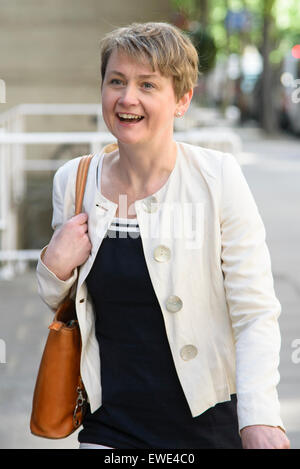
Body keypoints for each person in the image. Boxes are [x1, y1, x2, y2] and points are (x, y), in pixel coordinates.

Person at [36, 22, 290, 449]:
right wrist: (53, 266)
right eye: (116, 81)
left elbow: (255, 312)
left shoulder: (218, 179)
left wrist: (259, 416)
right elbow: (64, 304)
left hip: (208, 424)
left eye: (147, 84)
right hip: (109, 427)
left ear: (182, 99)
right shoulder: (74, 181)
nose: (126, 97)